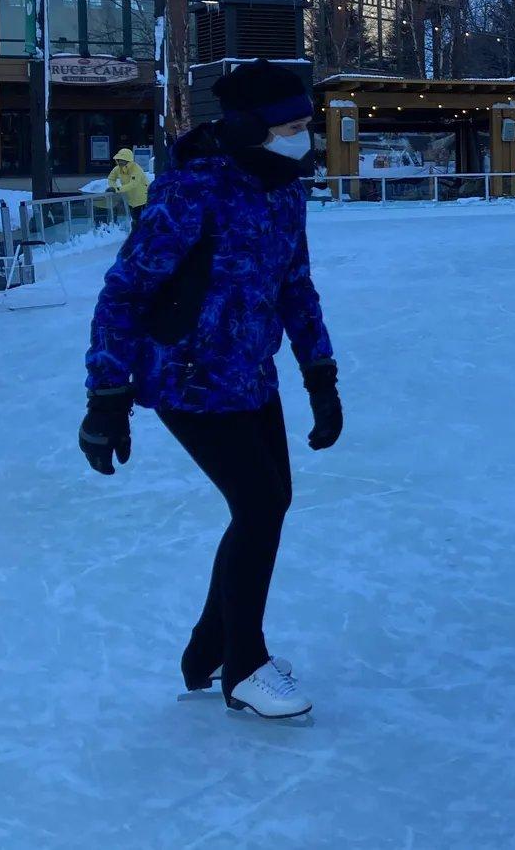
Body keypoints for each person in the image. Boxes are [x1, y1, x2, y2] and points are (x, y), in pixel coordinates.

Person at [79, 60, 342, 720]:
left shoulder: (285, 187)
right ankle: (243, 666)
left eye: (306, 125)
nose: (303, 137)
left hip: (252, 373)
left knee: (269, 503)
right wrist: (106, 400)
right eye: (291, 126)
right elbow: (124, 292)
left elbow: (294, 286)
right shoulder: (191, 190)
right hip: (188, 379)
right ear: (251, 127)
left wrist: (321, 377)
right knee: (257, 507)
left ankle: (207, 647)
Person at [106, 147, 151, 228]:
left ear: (128, 161)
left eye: (123, 160)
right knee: (135, 220)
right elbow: (111, 178)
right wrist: (113, 187)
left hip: (144, 198)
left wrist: (117, 189)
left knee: (144, 220)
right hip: (131, 200)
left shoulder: (136, 169)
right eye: (119, 159)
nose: (120, 162)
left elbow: (133, 184)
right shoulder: (117, 169)